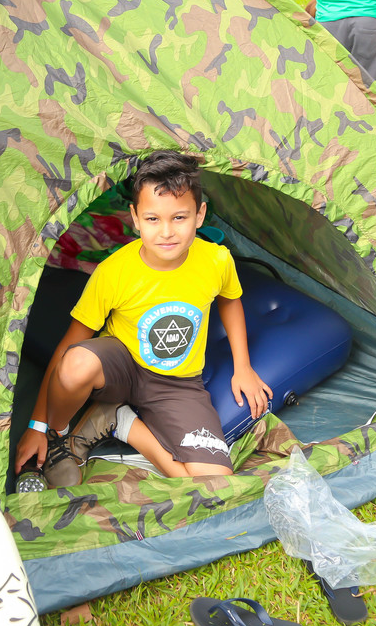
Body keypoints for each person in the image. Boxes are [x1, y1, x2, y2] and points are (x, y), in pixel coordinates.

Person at [14, 151, 271, 487]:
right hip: (121, 366)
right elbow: (68, 347)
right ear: (135, 217)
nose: (166, 232)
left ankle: (121, 423)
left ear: (200, 215)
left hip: (178, 384)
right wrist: (38, 425)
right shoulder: (113, 272)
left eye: (179, 217)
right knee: (76, 364)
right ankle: (60, 436)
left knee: (216, 484)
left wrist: (243, 366)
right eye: (153, 219)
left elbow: (230, 300)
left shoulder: (216, 260)